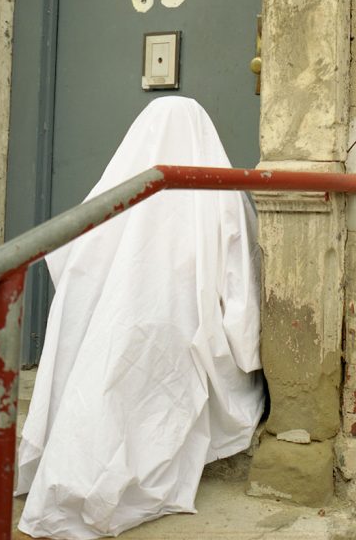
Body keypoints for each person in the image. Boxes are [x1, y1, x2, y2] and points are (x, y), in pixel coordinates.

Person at [15, 97, 264, 539]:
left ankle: (74, 466)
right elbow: (239, 287)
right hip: (168, 336)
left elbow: (71, 259)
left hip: (118, 333)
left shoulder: (113, 194)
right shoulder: (221, 196)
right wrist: (252, 361)